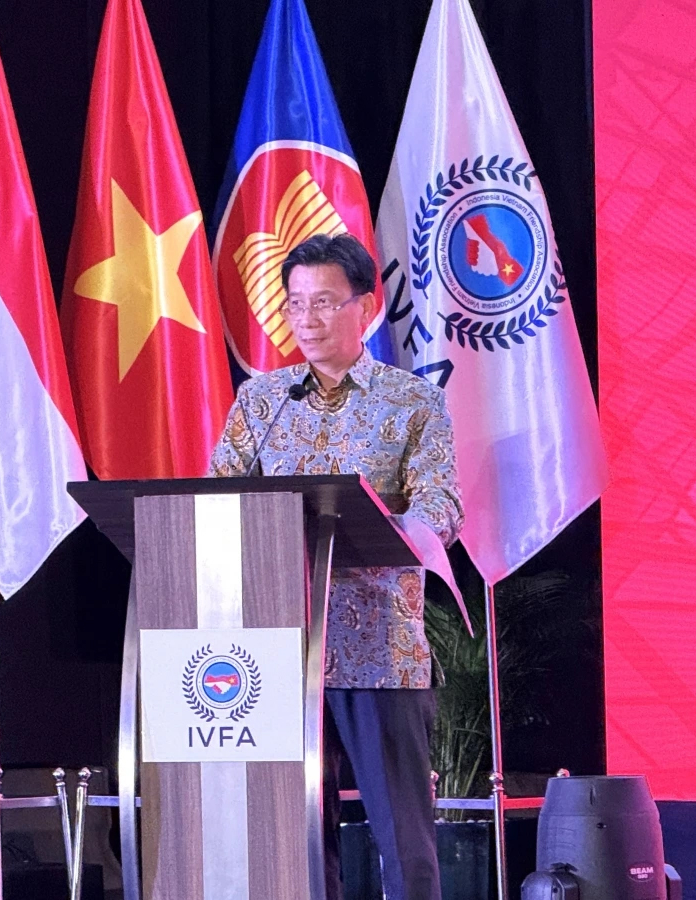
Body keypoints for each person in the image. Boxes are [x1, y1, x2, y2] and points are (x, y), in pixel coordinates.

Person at [209, 233, 464, 900]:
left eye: (324, 302)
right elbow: (215, 495)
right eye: (295, 304)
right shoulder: (261, 401)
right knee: (293, 843)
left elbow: (441, 500)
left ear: (365, 307)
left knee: (403, 842)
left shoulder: (412, 400)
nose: (307, 319)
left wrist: (405, 527)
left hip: (377, 647)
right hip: (276, 651)